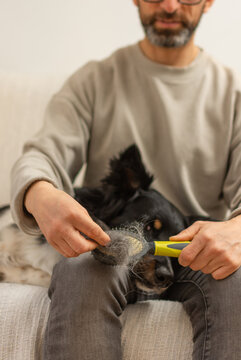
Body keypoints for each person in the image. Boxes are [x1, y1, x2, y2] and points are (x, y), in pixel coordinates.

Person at [10, 0, 241, 359]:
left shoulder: (233, 94)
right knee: (83, 269)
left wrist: (236, 229)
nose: (168, 5)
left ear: (209, 2)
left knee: (236, 280)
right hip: (114, 245)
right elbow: (42, 154)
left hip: (197, 253)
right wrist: (40, 195)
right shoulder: (94, 80)